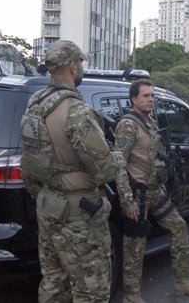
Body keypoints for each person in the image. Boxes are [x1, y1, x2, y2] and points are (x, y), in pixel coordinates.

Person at [20, 40, 118, 302]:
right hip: (79, 213)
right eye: (81, 64)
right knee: (90, 289)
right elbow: (105, 170)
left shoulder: (35, 103)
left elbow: (29, 160)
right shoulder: (77, 111)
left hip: (47, 204)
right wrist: (117, 156)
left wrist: (45, 190)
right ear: (73, 67)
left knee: (54, 282)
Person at [114, 79, 189, 303]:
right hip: (137, 195)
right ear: (134, 99)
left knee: (178, 226)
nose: (150, 99)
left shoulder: (151, 122)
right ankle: (132, 296)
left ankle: (183, 281)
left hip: (155, 191)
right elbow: (118, 163)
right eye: (146, 96)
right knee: (135, 245)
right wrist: (127, 201)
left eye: (152, 95)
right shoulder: (128, 125)